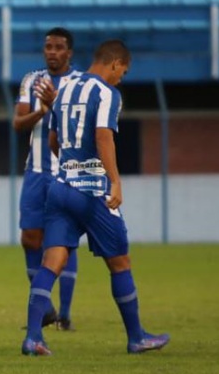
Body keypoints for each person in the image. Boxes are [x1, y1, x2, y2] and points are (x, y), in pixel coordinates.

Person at [22, 39, 170, 356]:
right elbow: (103, 137)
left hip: (59, 188)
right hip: (91, 192)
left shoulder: (66, 88)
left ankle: (34, 337)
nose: (121, 78)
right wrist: (115, 182)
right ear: (114, 64)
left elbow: (52, 139)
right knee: (120, 262)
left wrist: (69, 164)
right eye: (123, 72)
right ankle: (136, 337)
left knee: (52, 262)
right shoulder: (106, 93)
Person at [15, 28, 83, 331]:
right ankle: (47, 310)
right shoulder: (32, 80)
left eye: (58, 47)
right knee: (30, 237)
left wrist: (55, 107)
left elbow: (83, 124)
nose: (51, 52)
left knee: (64, 241)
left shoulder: (80, 84)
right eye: (47, 47)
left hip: (67, 172)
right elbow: (18, 123)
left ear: (69, 52)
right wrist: (41, 111)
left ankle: (65, 314)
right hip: (36, 171)